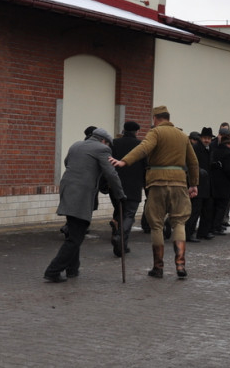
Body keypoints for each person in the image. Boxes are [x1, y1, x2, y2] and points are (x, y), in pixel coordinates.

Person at [110, 106, 198, 279]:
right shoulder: (182, 135)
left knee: (156, 224)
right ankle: (180, 265)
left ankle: (158, 267)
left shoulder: (156, 132)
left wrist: (124, 162)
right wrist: (194, 184)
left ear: (156, 118)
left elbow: (143, 149)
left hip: (157, 183)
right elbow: (193, 162)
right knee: (179, 222)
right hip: (179, 183)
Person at [45, 128, 126, 282]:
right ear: (104, 141)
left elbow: (67, 162)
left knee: (74, 231)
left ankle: (72, 269)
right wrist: (120, 194)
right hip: (81, 193)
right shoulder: (103, 149)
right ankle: (53, 271)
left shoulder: (76, 145)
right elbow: (111, 174)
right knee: (76, 236)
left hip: (67, 189)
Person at [109, 121, 145, 257]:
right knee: (129, 215)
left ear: (123, 130)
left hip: (116, 184)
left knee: (120, 213)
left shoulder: (114, 143)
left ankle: (121, 248)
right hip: (134, 185)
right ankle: (119, 236)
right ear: (137, 132)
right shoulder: (141, 145)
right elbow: (146, 165)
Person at [209, 134, 230, 237]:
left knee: (215, 206)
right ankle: (216, 227)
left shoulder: (215, 150)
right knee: (222, 206)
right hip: (224, 183)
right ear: (228, 144)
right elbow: (228, 169)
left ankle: (212, 226)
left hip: (214, 182)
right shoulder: (227, 153)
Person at [185, 131, 211, 243]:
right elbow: (190, 164)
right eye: (205, 138)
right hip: (197, 182)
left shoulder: (208, 148)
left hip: (206, 183)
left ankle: (203, 232)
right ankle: (189, 233)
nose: (207, 140)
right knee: (195, 210)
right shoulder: (196, 148)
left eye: (209, 138)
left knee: (206, 209)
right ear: (201, 138)